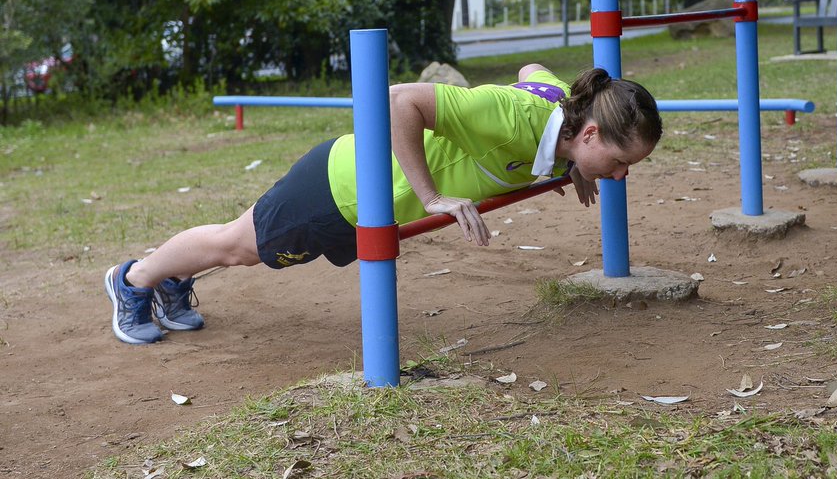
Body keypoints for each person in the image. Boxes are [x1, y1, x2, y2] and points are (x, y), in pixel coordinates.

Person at [104, 64, 661, 345]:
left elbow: (529, 73)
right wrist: (433, 196)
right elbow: (401, 100)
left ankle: (171, 281)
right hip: (341, 188)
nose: (620, 174)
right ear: (588, 134)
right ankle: (135, 278)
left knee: (242, 250)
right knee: (236, 247)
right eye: (618, 161)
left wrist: (571, 168)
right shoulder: (510, 118)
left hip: (369, 200)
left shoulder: (564, 110)